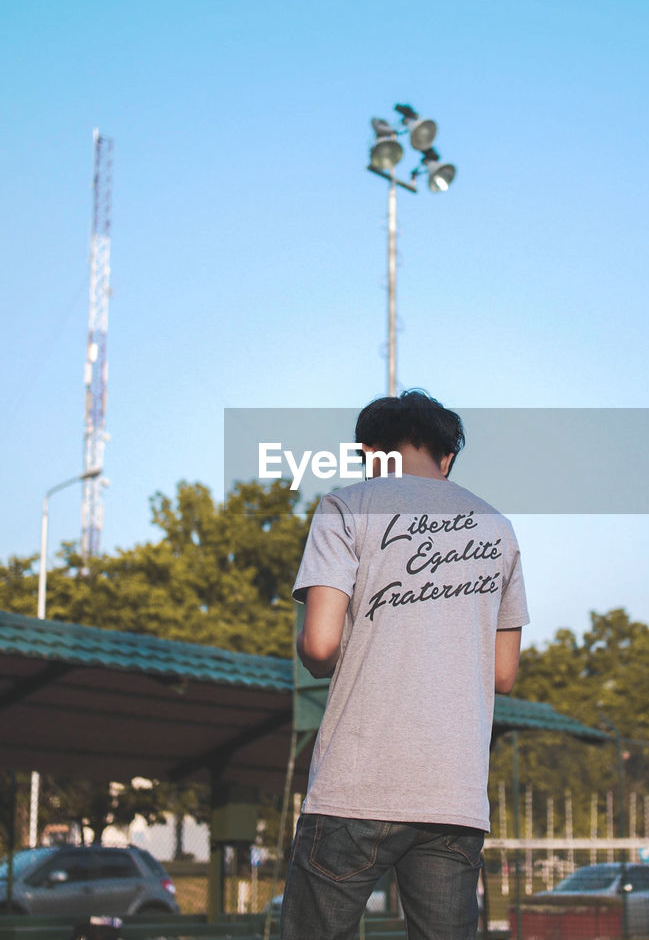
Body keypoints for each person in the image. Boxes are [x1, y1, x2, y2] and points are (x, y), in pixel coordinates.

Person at [281, 390, 530, 940]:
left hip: (356, 784)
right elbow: (502, 674)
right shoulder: (498, 528)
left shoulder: (346, 507)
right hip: (454, 795)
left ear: (370, 452)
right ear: (446, 458)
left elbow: (320, 647)